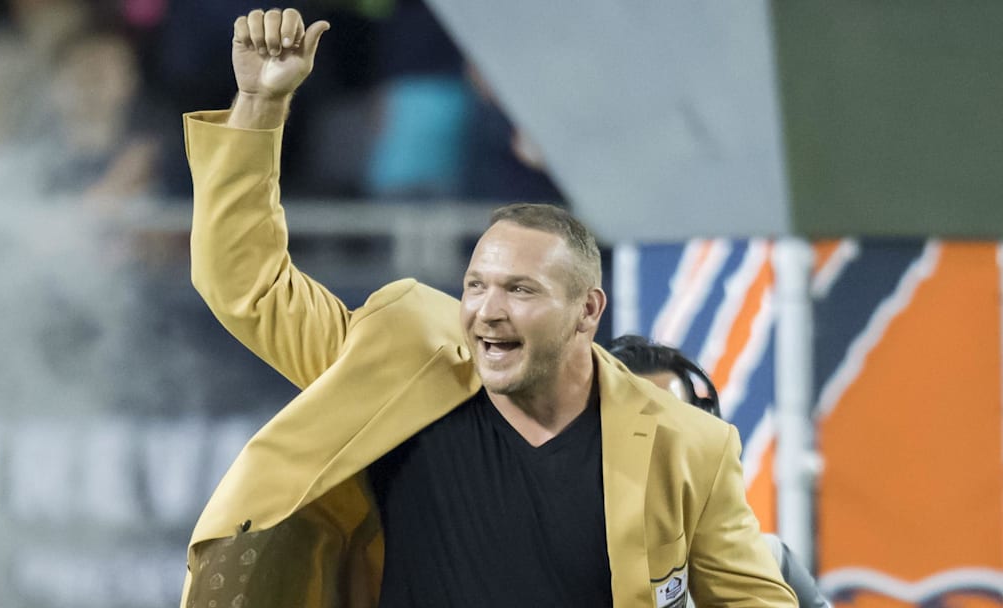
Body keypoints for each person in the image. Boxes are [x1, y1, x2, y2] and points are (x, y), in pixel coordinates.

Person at [180, 8, 796, 608]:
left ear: (587, 311)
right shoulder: (402, 359)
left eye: (521, 290)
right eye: (477, 285)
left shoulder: (689, 447)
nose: (487, 311)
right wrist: (260, 106)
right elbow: (246, 283)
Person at [608, 334, 832, 608]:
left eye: (675, 425)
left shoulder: (771, 563)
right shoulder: (566, 566)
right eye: (638, 430)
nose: (661, 449)